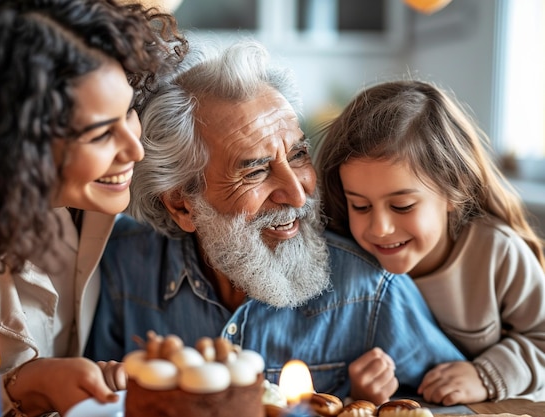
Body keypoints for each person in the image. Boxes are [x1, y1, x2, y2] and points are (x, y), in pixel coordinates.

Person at [84, 40, 466, 405]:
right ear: (183, 205)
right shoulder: (122, 264)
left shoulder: (371, 291)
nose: (297, 195)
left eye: (298, 155)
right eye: (254, 172)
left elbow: (458, 403)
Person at [0, 0, 187, 415]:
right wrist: (27, 386)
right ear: (16, 142)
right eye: (100, 134)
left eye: (130, 110)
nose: (135, 149)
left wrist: (103, 380)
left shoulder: (101, 198)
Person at [315, 79, 545, 405]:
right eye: (360, 206)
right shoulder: (347, 265)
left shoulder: (497, 252)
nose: (379, 228)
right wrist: (362, 395)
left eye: (402, 206)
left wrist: (487, 375)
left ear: (454, 189)